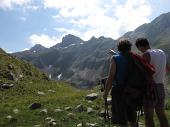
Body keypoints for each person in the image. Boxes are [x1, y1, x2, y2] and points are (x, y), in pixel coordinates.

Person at [135, 38, 169, 127]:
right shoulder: (161, 52)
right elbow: (167, 68)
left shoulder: (146, 55)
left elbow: (142, 73)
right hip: (161, 87)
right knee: (161, 114)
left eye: (139, 49)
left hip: (150, 89)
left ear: (140, 46)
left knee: (149, 117)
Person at [103, 40, 138, 127]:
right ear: (129, 48)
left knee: (122, 119)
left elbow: (111, 77)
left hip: (119, 91)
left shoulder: (115, 59)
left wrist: (106, 92)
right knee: (132, 118)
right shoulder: (134, 58)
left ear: (119, 48)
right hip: (132, 91)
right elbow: (125, 59)